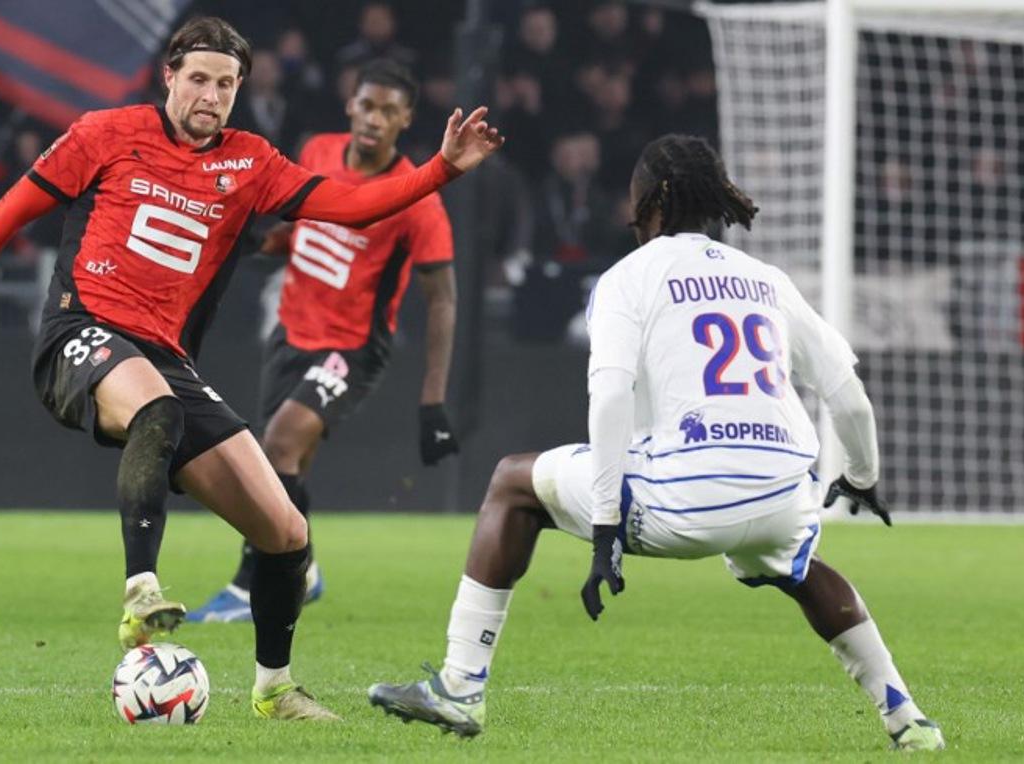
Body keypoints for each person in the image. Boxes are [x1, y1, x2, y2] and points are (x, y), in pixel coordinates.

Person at [0, 16, 502, 722]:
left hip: (166, 359)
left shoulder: (250, 161)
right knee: (157, 411)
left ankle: (274, 688)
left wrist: (443, 169)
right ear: (171, 78)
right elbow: (11, 212)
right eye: (201, 79)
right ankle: (141, 591)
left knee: (285, 533)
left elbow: (351, 207)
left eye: (227, 84)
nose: (212, 95)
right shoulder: (104, 134)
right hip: (80, 334)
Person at [367, 135, 944, 751]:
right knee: (797, 566)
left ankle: (460, 685)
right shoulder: (766, 279)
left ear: (655, 203)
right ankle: (906, 716)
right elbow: (848, 394)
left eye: (636, 196)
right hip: (783, 495)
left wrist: (606, 527)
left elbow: (611, 397)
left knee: (512, 479)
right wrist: (860, 476)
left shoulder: (629, 278)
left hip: (685, 505)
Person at [188, 59, 459, 624]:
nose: (375, 120)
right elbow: (304, 231)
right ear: (350, 105)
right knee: (286, 466)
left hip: (351, 347)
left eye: (389, 111)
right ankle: (301, 569)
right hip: (289, 332)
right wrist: (261, 244)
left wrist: (433, 401)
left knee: (278, 446)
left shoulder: (418, 199)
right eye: (368, 105)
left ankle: (252, 584)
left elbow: (442, 299)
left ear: (406, 119)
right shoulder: (316, 151)